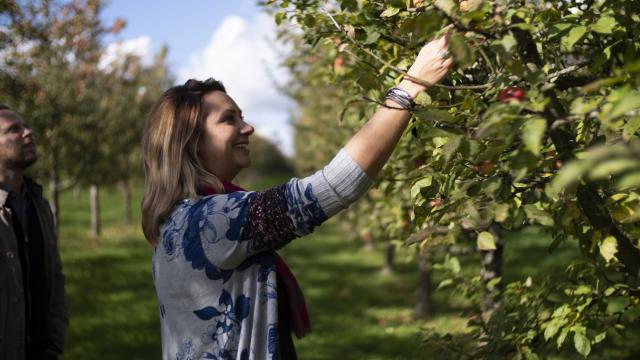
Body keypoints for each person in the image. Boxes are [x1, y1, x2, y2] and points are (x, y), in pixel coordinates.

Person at [141, 35, 452, 359]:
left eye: (242, 116)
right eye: (229, 119)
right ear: (191, 142)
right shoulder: (214, 222)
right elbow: (333, 186)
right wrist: (409, 88)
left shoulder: (174, 223)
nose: (248, 128)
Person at [0, 105, 69, 360]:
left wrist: (55, 340)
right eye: (14, 130)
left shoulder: (38, 204)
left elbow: (55, 276)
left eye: (26, 126)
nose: (28, 132)